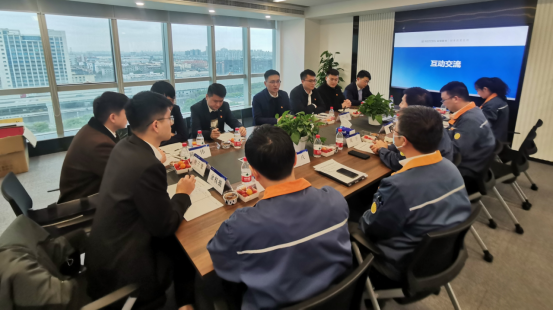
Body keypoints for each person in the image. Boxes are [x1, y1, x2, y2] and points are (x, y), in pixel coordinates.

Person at [207, 125, 352, 309]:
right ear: (295, 159)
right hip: (337, 301)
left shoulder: (239, 228)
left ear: (253, 172)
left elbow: (221, 261)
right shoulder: (335, 200)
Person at [86, 91, 197, 310]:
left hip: (104, 251)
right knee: (186, 246)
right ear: (155, 125)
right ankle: (185, 304)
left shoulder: (124, 146)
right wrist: (183, 194)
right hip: (127, 266)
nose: (172, 122)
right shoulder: (147, 166)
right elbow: (164, 226)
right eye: (169, 118)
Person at [359, 106, 471, 281]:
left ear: (402, 141)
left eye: (395, 130)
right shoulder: (451, 168)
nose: (393, 133)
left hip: (400, 266)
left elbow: (371, 229)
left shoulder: (398, 186)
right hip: (441, 256)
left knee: (351, 214)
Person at [58, 91, 128, 203]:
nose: (129, 116)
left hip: (87, 192)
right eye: (126, 112)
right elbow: (123, 177)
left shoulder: (94, 128)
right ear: (113, 117)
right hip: (82, 203)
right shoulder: (100, 144)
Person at [370, 87, 453, 171]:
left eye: (402, 102)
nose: (400, 105)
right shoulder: (430, 123)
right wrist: (387, 147)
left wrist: (382, 150)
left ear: (412, 109)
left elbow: (399, 162)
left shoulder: (420, 129)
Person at [440, 81, 495, 183]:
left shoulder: (470, 119)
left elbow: (454, 151)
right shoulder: (474, 110)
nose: (443, 103)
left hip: (468, 169)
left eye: (444, 100)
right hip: (475, 161)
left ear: (455, 99)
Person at [151, 80, 188, 146]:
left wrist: (164, 138)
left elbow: (184, 135)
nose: (172, 104)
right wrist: (168, 136)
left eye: (173, 100)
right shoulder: (148, 113)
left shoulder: (175, 109)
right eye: (169, 100)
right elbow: (149, 141)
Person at [475, 77, 510, 142]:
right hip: (499, 138)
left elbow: (482, 125)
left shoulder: (491, 105)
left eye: (477, 90)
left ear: (485, 89)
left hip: (491, 142)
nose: (478, 93)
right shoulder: (499, 100)